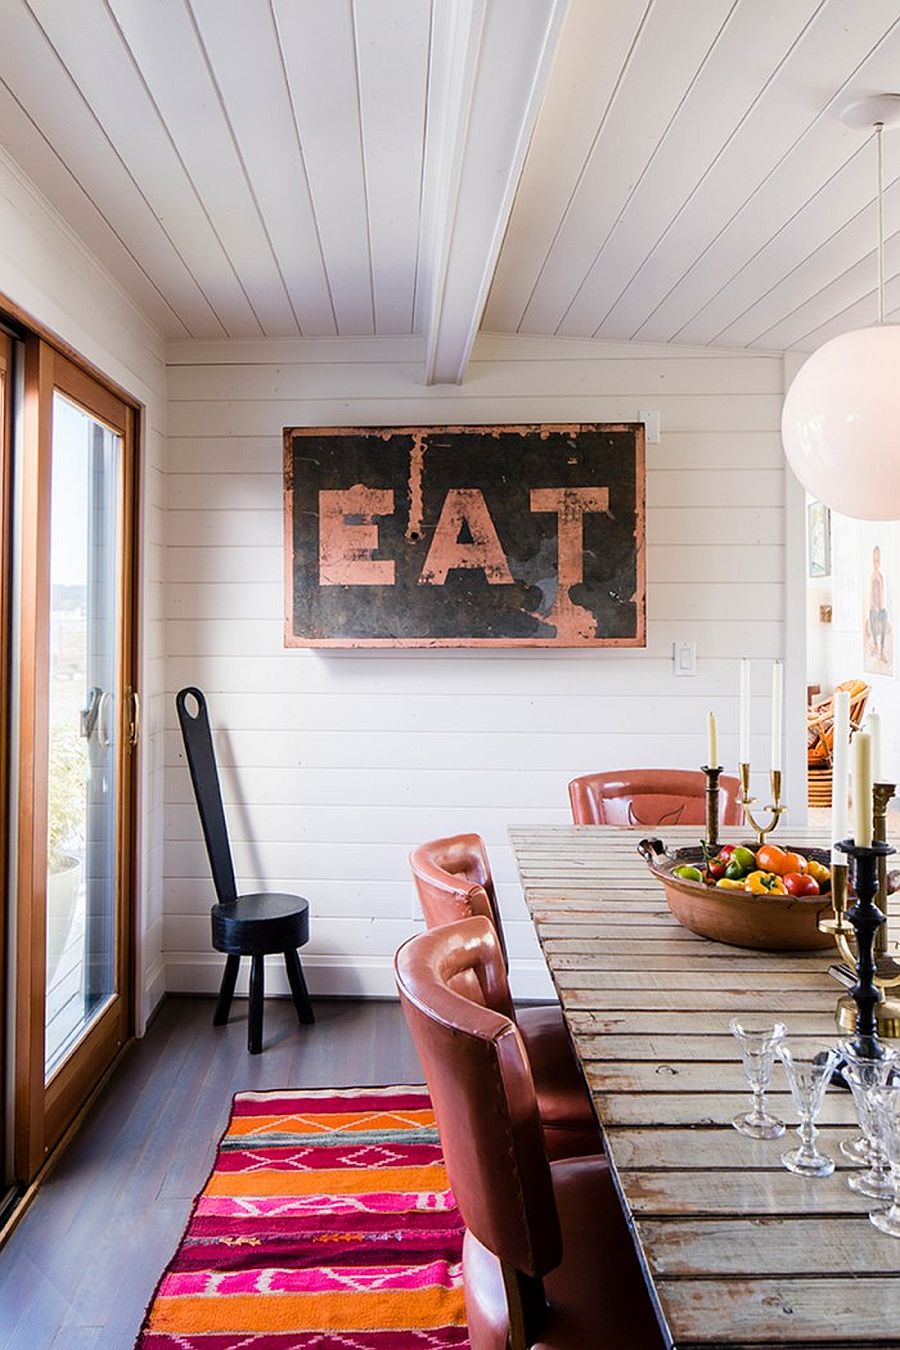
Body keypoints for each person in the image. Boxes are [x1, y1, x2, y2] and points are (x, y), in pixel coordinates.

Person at [869, 545, 888, 662]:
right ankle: (876, 645)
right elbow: (871, 594)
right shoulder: (872, 577)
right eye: (875, 561)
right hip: (873, 608)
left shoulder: (879, 576)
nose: (876, 563)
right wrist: (873, 607)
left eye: (878, 561)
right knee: (872, 616)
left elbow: (882, 593)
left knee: (884, 615)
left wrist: (881, 607)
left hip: (880, 607)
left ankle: (882, 649)